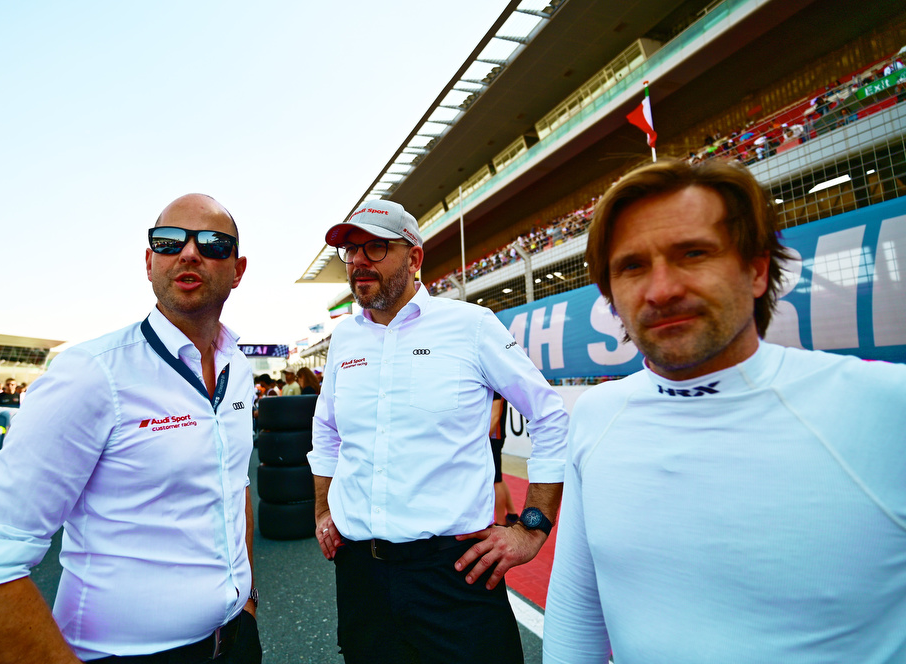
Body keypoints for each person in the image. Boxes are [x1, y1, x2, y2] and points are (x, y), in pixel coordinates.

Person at [541, 159, 906, 662]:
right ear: (611, 295)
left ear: (757, 271)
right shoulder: (597, 415)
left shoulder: (887, 405)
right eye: (632, 266)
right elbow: (577, 610)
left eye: (693, 254)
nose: (662, 290)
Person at [0, 193, 262, 663]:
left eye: (213, 243)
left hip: (236, 641)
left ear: (237, 270)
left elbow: (236, 485)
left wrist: (247, 601)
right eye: (169, 241)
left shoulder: (238, 367)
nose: (189, 253)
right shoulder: (92, 374)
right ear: (149, 261)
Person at [308, 199, 569, 664]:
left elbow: (550, 415)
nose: (358, 261)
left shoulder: (471, 325)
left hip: (455, 574)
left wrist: (532, 526)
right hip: (360, 576)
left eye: (375, 247)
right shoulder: (345, 338)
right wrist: (323, 509)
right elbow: (326, 430)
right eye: (350, 250)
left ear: (414, 258)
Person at [490, 391, 517, 526]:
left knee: (495, 480)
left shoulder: (495, 389)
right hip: (493, 436)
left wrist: (482, 440)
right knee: (498, 476)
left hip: (493, 437)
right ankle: (512, 514)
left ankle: (500, 522)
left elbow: (495, 416)